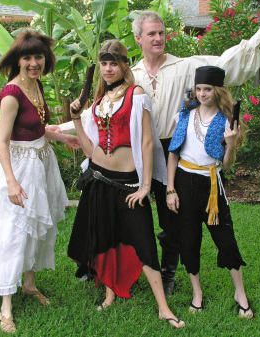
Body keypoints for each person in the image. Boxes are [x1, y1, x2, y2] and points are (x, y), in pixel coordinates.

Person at [56, 9, 260, 296]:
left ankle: (168, 273)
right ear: (138, 38)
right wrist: (62, 126)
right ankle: (107, 266)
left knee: (170, 215)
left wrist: (258, 35)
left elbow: (224, 65)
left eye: (162, 33)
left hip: (171, 149)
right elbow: (98, 113)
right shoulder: (131, 75)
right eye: (151, 33)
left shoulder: (185, 67)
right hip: (132, 151)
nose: (158, 38)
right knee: (119, 211)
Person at [0, 30, 79, 333]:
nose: (34, 63)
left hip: (42, 164)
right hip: (20, 169)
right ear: (18, 60)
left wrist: (62, 135)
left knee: (38, 228)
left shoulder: (36, 85)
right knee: (14, 232)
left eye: (38, 57)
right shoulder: (11, 94)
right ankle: (6, 307)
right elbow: (2, 142)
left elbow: (36, 129)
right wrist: (12, 183)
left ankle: (29, 284)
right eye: (27, 57)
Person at [67, 40, 185, 329]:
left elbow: (146, 141)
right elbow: (88, 149)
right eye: (103, 63)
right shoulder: (97, 101)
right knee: (105, 237)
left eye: (113, 63)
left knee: (144, 241)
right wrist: (76, 121)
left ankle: (163, 307)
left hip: (129, 184)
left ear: (123, 65)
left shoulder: (136, 94)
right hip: (98, 179)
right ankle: (109, 294)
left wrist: (145, 186)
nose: (108, 69)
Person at [166, 65, 253, 318]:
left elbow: (226, 165)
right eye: (199, 89)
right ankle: (197, 294)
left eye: (208, 89)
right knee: (189, 241)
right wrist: (171, 189)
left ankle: (240, 292)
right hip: (183, 183)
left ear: (218, 91)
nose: (202, 94)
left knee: (226, 240)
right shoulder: (185, 116)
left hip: (212, 185)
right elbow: (172, 154)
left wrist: (232, 144)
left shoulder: (226, 121)